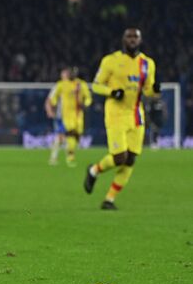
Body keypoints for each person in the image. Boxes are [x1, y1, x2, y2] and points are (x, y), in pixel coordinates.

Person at [84, 28, 158, 209]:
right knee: (119, 157)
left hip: (136, 115)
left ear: (140, 40)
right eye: (129, 36)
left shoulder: (147, 63)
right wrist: (112, 92)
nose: (132, 40)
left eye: (136, 37)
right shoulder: (111, 61)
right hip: (115, 114)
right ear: (123, 40)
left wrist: (155, 90)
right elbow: (96, 86)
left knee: (131, 159)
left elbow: (148, 91)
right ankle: (94, 170)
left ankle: (109, 200)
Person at [47, 66, 92, 167]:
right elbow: (53, 98)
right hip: (65, 115)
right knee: (67, 134)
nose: (72, 75)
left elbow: (88, 97)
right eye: (70, 73)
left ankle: (61, 156)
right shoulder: (62, 84)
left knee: (77, 135)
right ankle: (68, 157)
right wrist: (52, 107)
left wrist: (86, 104)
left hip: (79, 115)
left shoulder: (81, 84)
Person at [45, 69, 68, 165]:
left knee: (65, 137)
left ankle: (65, 157)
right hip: (60, 116)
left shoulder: (74, 86)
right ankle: (54, 157)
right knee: (60, 136)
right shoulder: (58, 86)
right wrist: (49, 110)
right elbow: (49, 100)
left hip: (71, 116)